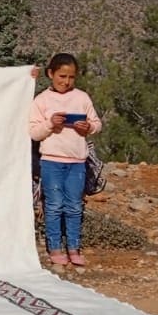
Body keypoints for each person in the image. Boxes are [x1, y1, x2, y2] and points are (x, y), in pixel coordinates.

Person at [29, 53, 102, 267]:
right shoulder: (41, 100)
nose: (66, 81)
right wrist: (50, 124)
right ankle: (54, 248)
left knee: (74, 205)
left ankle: (74, 247)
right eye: (62, 76)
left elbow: (97, 123)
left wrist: (89, 127)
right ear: (51, 74)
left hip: (77, 161)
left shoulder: (82, 98)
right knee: (53, 205)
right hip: (51, 162)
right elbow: (34, 133)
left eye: (71, 77)